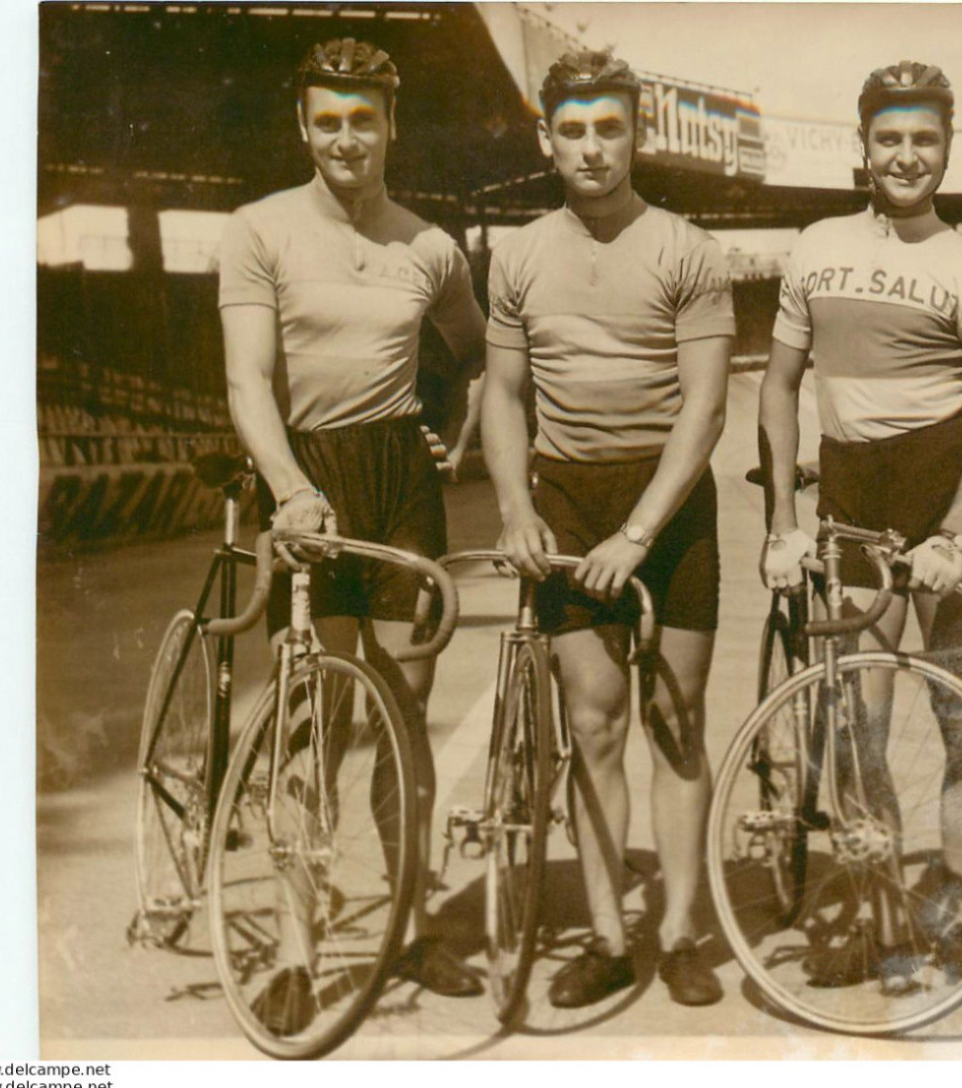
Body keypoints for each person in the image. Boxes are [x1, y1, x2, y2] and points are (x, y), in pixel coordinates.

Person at [218, 36, 489, 1031]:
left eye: (362, 119)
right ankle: (297, 950)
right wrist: (288, 487)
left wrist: (448, 426)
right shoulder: (258, 230)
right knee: (322, 715)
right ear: (303, 126)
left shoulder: (429, 244)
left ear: (390, 125)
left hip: (397, 476)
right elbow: (247, 379)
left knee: (403, 712)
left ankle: (410, 927)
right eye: (326, 120)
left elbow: (477, 351)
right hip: (308, 472)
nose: (345, 138)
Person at [758, 61, 962, 987]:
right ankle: (878, 914)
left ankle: (953, 898)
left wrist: (952, 534)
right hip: (853, 501)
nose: (908, 155)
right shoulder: (815, 244)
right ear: (860, 148)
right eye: (890, 138)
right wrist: (780, 521)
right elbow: (780, 386)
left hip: (943, 493)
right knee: (856, 729)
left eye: (926, 139)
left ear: (947, 149)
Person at [483, 50, 732, 1009]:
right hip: (569, 498)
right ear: (548, 141)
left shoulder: (687, 247)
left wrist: (639, 530)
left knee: (675, 722)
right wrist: (516, 505)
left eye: (610, 128)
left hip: (668, 505)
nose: (592, 148)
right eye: (574, 131)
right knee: (593, 722)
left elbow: (704, 411)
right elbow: (503, 395)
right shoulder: (519, 251)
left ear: (639, 134)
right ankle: (606, 933)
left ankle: (678, 932)